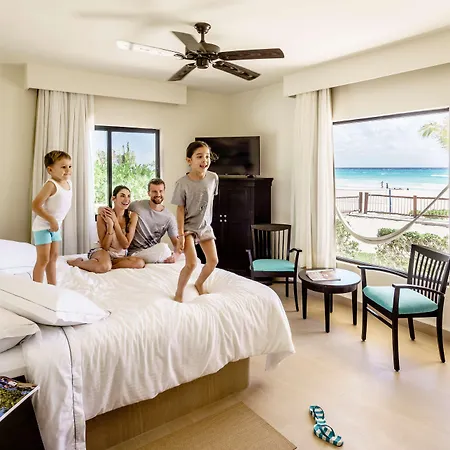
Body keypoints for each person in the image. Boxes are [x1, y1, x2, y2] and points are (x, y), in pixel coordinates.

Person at [172, 141, 219, 302]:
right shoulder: (182, 183)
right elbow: (180, 210)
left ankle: (199, 283)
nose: (204, 160)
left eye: (207, 156)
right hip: (188, 227)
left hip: (205, 226)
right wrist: (180, 235)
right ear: (189, 160)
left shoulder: (213, 178)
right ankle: (179, 293)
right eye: (199, 156)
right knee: (191, 264)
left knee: (213, 261)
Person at [68, 186, 145, 273]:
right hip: (103, 252)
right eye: (122, 196)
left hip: (119, 256)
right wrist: (110, 227)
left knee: (140, 263)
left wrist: (115, 222)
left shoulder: (133, 216)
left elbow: (126, 245)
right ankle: (78, 263)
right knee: (104, 266)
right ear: (113, 198)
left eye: (128, 196)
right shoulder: (104, 214)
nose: (126, 199)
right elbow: (105, 246)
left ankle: (108, 265)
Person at [32, 150, 73, 285]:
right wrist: (51, 220)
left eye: (69, 166)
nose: (68, 170)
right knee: (43, 259)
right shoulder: (51, 185)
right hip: (43, 226)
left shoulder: (69, 183)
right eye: (63, 167)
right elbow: (35, 205)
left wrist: (55, 223)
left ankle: (52, 286)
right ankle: (36, 288)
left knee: (53, 257)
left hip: (55, 226)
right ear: (50, 170)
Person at [127, 178, 180, 263]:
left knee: (181, 255)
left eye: (161, 191)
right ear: (149, 193)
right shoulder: (136, 206)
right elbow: (119, 212)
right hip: (135, 252)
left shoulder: (169, 217)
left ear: (164, 192)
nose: (158, 194)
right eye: (154, 191)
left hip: (153, 251)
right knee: (164, 249)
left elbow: (176, 242)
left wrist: (176, 256)